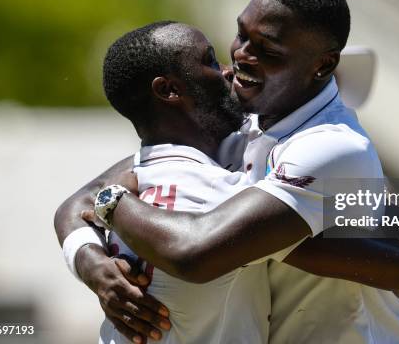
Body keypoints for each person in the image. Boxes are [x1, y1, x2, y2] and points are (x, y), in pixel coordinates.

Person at [55, 0, 399, 344]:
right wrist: (91, 263)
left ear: (322, 66)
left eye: (268, 50)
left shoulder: (329, 146)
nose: (241, 55)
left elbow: (195, 251)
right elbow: (80, 201)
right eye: (242, 34)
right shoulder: (234, 121)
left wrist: (112, 205)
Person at [94, 20, 283, 343]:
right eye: (210, 60)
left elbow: (84, 201)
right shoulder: (226, 190)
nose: (228, 70)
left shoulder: (139, 177)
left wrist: (90, 243)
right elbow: (391, 267)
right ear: (168, 90)